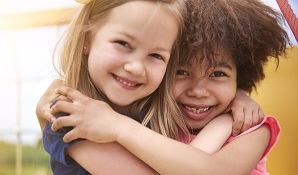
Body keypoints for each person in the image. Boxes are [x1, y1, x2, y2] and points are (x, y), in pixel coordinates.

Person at [43, 0, 290, 174]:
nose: (199, 90)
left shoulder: (248, 127)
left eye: (218, 74)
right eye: (181, 71)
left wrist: (236, 99)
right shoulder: (79, 116)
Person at [39, 0, 188, 174]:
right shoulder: (70, 114)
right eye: (123, 43)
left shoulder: (161, 114)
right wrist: (118, 125)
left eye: (156, 55)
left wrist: (224, 118)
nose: (137, 68)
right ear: (87, 38)